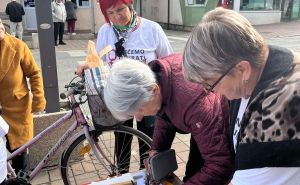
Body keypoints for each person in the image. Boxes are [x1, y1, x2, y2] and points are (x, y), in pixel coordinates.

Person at [182, 7, 300, 185]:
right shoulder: (264, 61)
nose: (212, 91)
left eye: (210, 83)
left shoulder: (273, 114)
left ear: (242, 69)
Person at [103, 55, 234, 184]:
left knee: (202, 168)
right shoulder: (156, 77)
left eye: (140, 110)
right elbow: (165, 109)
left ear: (154, 90)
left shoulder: (194, 105)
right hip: (201, 120)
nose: (138, 118)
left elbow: (220, 165)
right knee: (194, 171)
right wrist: (157, 148)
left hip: (218, 120)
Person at [76, 0, 172, 173]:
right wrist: (87, 64)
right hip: (119, 95)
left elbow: (168, 62)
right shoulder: (106, 31)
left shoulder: (152, 29)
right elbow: (98, 62)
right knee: (121, 136)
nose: (116, 17)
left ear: (130, 5)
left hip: (148, 97)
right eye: (110, 13)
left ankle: (148, 174)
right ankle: (122, 174)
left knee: (148, 138)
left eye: (120, 10)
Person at [0, 18, 46, 175]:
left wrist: (38, 99)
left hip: (16, 110)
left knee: (20, 156)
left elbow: (34, 73)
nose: (0, 26)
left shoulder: (17, 46)